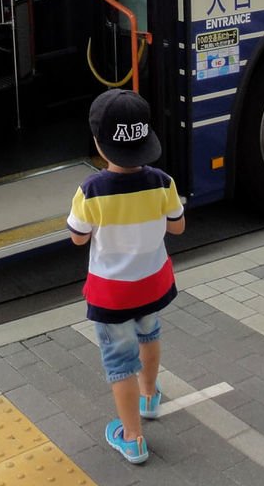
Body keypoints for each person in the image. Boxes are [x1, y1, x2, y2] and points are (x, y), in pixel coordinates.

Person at [67, 89, 185, 465]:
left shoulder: (91, 191)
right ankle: (149, 396)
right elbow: (178, 227)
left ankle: (132, 438)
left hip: (112, 295)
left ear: (99, 144)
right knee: (149, 334)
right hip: (152, 283)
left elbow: (78, 237)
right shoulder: (163, 182)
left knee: (120, 362)